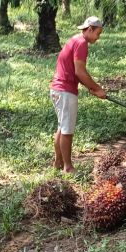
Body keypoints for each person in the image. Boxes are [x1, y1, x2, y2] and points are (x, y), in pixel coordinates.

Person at [50, 16, 106, 173]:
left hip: (57, 89)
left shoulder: (75, 39)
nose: (98, 37)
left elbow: (74, 71)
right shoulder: (82, 43)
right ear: (90, 29)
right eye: (98, 33)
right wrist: (97, 88)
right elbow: (80, 72)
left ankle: (58, 163)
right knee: (67, 131)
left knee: (62, 127)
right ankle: (68, 167)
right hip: (65, 91)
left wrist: (92, 88)